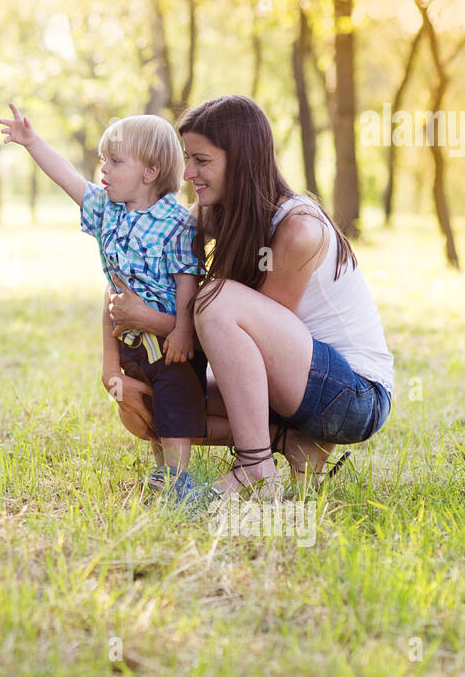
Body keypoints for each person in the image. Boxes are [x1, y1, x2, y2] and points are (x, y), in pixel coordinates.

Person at [107, 95, 394, 508]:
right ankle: (290, 443)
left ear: (240, 159)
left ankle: (256, 467)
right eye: (187, 159)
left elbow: (245, 348)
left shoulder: (298, 229)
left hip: (353, 396)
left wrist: (153, 321)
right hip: (298, 387)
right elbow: (141, 249)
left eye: (201, 161)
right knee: (152, 400)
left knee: (215, 299)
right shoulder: (221, 213)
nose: (188, 173)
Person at [0, 103, 209, 494]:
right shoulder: (107, 212)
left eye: (115, 161)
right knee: (152, 414)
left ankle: (181, 480)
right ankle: (162, 474)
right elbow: (68, 178)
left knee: (175, 406)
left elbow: (187, 281)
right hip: (132, 342)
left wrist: (182, 331)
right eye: (103, 160)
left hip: (170, 346)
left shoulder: (177, 222)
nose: (104, 169)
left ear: (150, 172)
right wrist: (31, 141)